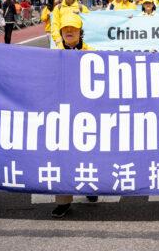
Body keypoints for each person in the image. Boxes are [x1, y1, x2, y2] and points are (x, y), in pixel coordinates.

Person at [51, 13, 96, 218]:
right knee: (62, 157)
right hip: (61, 114)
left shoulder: (93, 54)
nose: (69, 32)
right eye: (65, 29)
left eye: (73, 29)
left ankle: (90, 187)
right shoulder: (52, 56)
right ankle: (63, 200)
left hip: (88, 113)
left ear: (80, 32)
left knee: (89, 153)